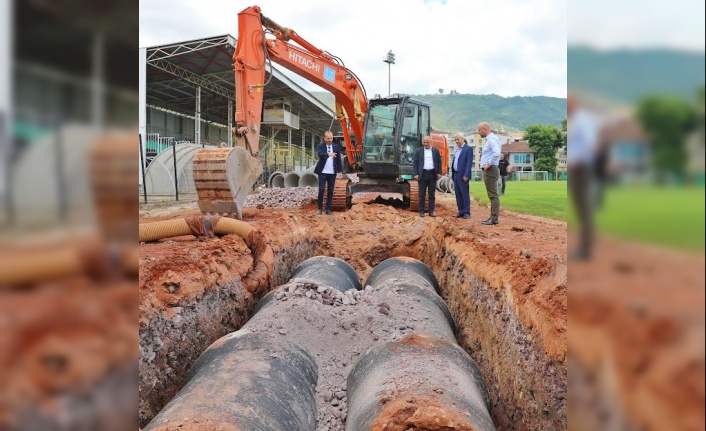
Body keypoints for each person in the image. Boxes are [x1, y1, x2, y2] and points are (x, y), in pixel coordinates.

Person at [567, 93, 599, 259]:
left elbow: (591, 143)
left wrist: (578, 161)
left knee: (584, 208)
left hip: (582, 168)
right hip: (578, 168)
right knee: (580, 209)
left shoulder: (582, 119)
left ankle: (585, 250)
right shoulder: (576, 120)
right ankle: (584, 247)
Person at [313, 130, 343, 215]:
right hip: (322, 172)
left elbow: (338, 160)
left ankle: (328, 209)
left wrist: (340, 171)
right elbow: (320, 154)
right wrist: (329, 154)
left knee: (330, 190)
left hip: (332, 173)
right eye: (328, 138)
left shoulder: (336, 147)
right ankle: (319, 208)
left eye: (331, 138)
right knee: (321, 190)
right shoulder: (321, 146)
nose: (330, 140)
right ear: (324, 138)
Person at [412, 135, 442, 217]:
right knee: (421, 194)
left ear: (431, 142)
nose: (425, 144)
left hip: (432, 174)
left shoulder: (436, 151)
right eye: (424, 142)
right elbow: (415, 163)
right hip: (423, 174)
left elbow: (439, 162)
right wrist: (416, 174)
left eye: (427, 142)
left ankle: (431, 211)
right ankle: (421, 211)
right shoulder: (418, 151)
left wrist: (439, 172)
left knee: (431, 194)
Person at [478, 122, 501, 225]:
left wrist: (489, 164)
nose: (478, 132)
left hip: (490, 170)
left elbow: (497, 153)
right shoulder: (492, 139)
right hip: (491, 169)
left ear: (484, 129)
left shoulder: (491, 139)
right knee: (492, 195)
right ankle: (492, 217)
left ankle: (494, 219)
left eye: (479, 130)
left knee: (493, 195)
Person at [451, 133, 473, 219]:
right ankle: (461, 211)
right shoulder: (457, 150)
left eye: (458, 139)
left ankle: (466, 212)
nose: (457, 141)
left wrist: (466, 174)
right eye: (455, 140)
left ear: (463, 139)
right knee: (458, 194)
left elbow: (469, 162)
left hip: (463, 175)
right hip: (456, 174)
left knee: (464, 193)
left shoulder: (468, 149)